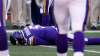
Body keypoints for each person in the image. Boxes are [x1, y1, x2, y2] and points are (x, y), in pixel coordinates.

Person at [10, 25, 100, 46]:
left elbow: (43, 42)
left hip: (52, 35)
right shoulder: (26, 28)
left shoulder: (27, 39)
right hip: (51, 29)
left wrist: (54, 43)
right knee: (82, 40)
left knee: (83, 41)